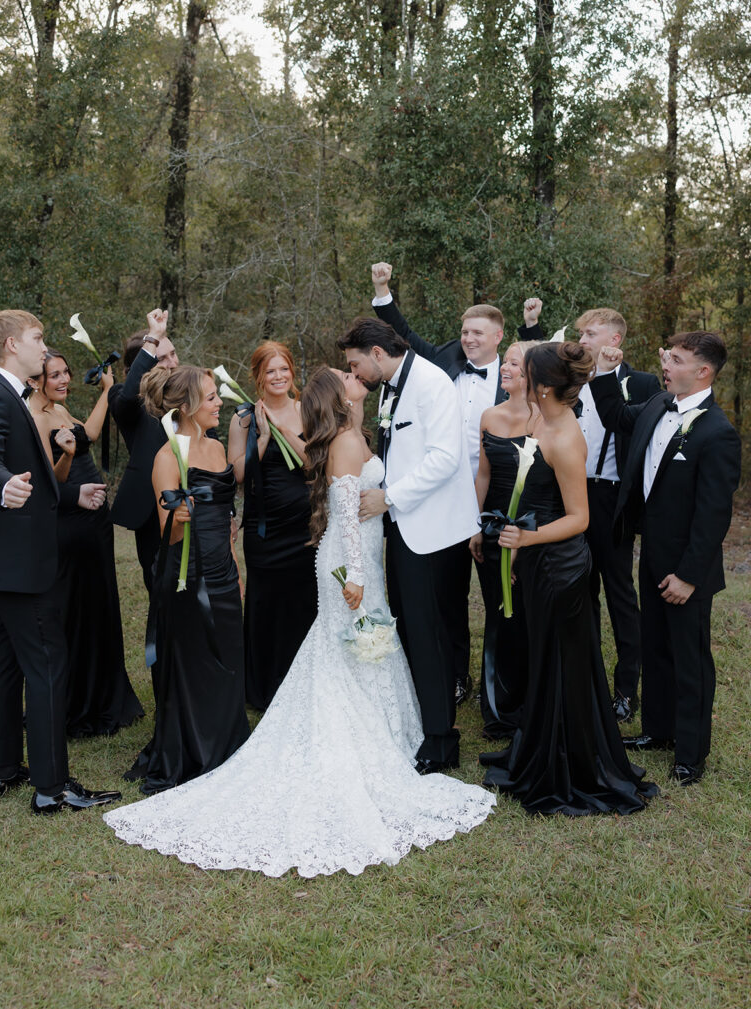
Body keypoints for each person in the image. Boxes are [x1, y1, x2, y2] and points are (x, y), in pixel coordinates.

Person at [104, 366, 495, 876]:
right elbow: (343, 511)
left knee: (347, 644)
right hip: (332, 563)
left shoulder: (350, 434)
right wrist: (355, 573)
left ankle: (363, 730)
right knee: (346, 643)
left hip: (322, 560)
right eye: (350, 377)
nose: (358, 378)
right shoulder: (337, 445)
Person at [0, 310, 121, 813]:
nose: (44, 349)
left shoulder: (19, 397)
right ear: (10, 345)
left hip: (3, 557)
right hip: (16, 561)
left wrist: (71, 498)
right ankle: (52, 788)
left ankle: (2, 772)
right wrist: (2, 483)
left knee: (6, 658)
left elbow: (42, 481)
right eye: (37, 339)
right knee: (47, 662)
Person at [480, 341, 657, 815]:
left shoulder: (565, 437)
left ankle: (573, 762)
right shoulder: (540, 419)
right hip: (538, 561)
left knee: (567, 666)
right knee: (545, 661)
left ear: (541, 385)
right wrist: (522, 549)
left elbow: (579, 518)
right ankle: (538, 745)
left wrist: (523, 540)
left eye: (525, 371)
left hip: (563, 567)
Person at [370, 261, 544, 704]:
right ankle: (453, 675)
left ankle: (501, 685)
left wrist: (532, 330)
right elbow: (401, 334)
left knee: (497, 594)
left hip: (497, 501)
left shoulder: (517, 380)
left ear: (498, 337)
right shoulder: (444, 359)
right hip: (440, 500)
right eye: (465, 331)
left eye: (478, 334)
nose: (468, 339)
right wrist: (383, 290)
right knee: (445, 595)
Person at [591, 331, 741, 786]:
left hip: (686, 569)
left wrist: (690, 576)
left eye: (675, 360)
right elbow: (616, 413)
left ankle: (690, 753)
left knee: (689, 658)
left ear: (703, 372)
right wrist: (604, 369)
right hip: (651, 554)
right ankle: (657, 730)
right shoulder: (658, 405)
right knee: (655, 646)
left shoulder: (718, 433)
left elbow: (713, 516)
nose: (666, 365)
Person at [340, 317, 479, 774]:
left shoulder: (432, 383)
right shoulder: (390, 386)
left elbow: (445, 458)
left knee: (430, 635)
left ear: (377, 353)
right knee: (412, 632)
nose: (355, 373)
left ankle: (441, 741)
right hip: (402, 530)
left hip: (431, 533)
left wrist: (389, 496)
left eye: (356, 364)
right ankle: (424, 722)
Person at [127, 365, 250, 794]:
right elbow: (169, 535)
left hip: (222, 569)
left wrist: (234, 568)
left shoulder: (216, 449)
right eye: (212, 397)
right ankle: (197, 749)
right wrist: (179, 516)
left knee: (229, 660)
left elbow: (227, 516)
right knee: (196, 663)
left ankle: (229, 742)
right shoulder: (166, 458)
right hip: (187, 577)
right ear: (187, 407)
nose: (219, 403)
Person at [26, 350, 143, 738]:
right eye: (53, 375)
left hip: (96, 522)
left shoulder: (61, 410)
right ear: (35, 380)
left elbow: (89, 434)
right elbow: (50, 483)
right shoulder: (36, 417)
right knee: (76, 608)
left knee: (101, 603)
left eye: (65, 373)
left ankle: (108, 694)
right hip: (70, 525)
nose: (63, 380)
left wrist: (108, 391)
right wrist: (69, 462)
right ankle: (80, 703)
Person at [574, 309, 662, 724]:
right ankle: (586, 684)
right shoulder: (570, 378)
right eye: (581, 334)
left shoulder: (643, 383)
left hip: (613, 500)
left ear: (613, 338)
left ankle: (627, 690)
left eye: (590, 333)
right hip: (571, 497)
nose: (584, 340)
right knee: (579, 589)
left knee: (620, 594)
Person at [227, 341, 317, 710]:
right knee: (267, 605)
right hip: (266, 532)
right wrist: (263, 438)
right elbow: (239, 476)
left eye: (284, 369)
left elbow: (316, 465)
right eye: (270, 371)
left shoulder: (306, 410)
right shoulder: (242, 418)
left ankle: (304, 684)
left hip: (306, 529)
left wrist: (283, 427)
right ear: (258, 376)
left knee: (304, 604)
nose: (278, 377)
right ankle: (264, 687)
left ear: (292, 373)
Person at [468, 339, 542, 739]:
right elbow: (484, 475)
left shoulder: (545, 419)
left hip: (532, 530)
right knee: (498, 614)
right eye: (506, 362)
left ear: (533, 372)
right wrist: (477, 526)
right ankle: (498, 704)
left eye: (514, 363)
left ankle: (533, 701)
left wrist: (528, 536)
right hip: (494, 527)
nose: (505, 368)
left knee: (528, 615)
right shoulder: (488, 415)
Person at [108, 309, 179, 593]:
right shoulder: (127, 400)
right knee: (161, 587)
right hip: (152, 511)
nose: (173, 363)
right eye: (162, 358)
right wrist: (153, 338)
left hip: (197, 506)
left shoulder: (192, 392)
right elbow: (127, 396)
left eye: (173, 354)